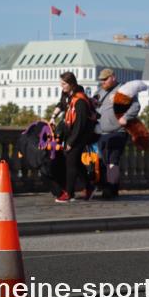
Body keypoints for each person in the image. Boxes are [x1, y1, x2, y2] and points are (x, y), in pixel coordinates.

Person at [93, 68, 149, 199]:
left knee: (113, 160)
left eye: (105, 79)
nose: (103, 82)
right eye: (101, 80)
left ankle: (110, 189)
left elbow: (135, 106)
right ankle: (111, 187)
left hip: (118, 131)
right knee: (104, 161)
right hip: (101, 132)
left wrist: (126, 117)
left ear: (113, 77)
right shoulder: (100, 91)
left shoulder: (124, 89)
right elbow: (93, 104)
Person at [50, 71, 97, 203]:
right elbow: (61, 105)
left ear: (71, 84)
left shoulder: (80, 100)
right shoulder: (66, 94)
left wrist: (71, 142)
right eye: (61, 83)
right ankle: (89, 186)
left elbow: (80, 125)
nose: (62, 86)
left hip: (81, 135)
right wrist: (53, 117)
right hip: (72, 133)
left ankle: (69, 194)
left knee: (70, 161)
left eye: (64, 84)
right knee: (74, 162)